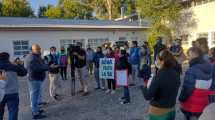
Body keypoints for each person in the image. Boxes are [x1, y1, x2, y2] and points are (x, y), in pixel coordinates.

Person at [141, 50, 180, 120]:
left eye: (156, 59)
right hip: (171, 109)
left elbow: (148, 96)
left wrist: (143, 87)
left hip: (159, 112)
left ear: (162, 61)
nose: (155, 61)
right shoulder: (176, 74)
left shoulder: (159, 76)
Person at [179, 47, 212, 120]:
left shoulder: (192, 70)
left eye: (189, 55)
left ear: (194, 55)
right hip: (203, 103)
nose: (188, 58)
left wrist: (181, 99)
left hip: (191, 106)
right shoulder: (208, 66)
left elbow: (187, 89)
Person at [0, 52, 27, 120]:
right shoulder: (14, 66)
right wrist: (20, 64)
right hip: (12, 93)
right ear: (8, 58)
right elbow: (24, 73)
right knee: (13, 112)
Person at [25, 44, 49, 119]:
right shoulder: (31, 57)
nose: (39, 50)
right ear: (32, 50)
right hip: (34, 79)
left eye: (39, 48)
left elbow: (42, 64)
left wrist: (45, 64)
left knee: (36, 95)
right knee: (34, 97)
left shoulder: (36, 56)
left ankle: (36, 110)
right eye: (37, 49)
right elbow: (38, 68)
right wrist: (48, 67)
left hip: (37, 79)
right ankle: (35, 113)